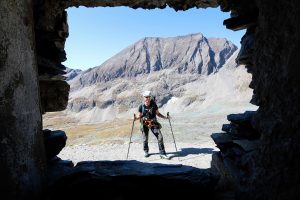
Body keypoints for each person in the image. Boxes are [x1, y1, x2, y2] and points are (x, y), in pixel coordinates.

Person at [134, 90, 170, 159]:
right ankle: (146, 151)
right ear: (144, 97)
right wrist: (136, 118)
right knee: (145, 139)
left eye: (148, 97)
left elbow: (158, 114)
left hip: (153, 122)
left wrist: (165, 117)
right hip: (144, 123)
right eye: (146, 97)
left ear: (150, 97)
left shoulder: (154, 105)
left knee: (160, 137)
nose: (147, 98)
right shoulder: (141, 106)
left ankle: (162, 153)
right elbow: (140, 116)